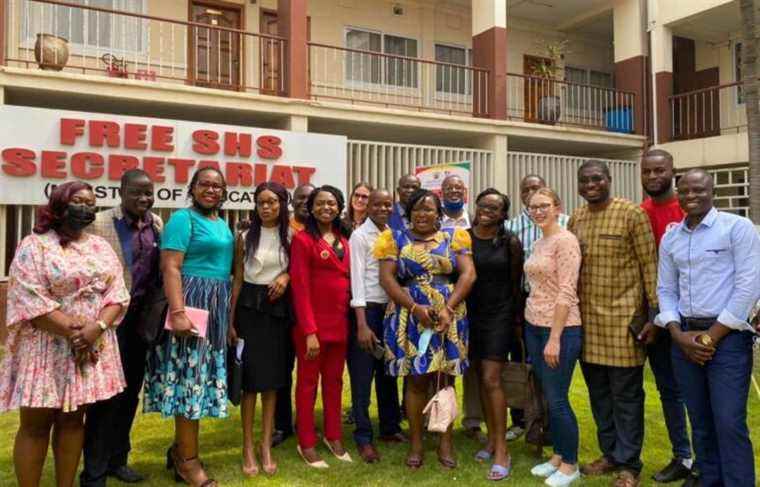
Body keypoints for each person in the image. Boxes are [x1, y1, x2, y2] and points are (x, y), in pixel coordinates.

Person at [0, 181, 130, 487]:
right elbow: (27, 297)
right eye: (78, 202)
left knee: (73, 421)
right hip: (46, 346)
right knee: (36, 424)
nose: (86, 209)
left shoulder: (100, 246)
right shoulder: (35, 245)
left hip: (90, 344)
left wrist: (95, 328)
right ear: (59, 205)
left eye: (91, 203)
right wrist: (75, 331)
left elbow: (118, 294)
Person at [656, 169, 760, 487]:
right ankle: (709, 480)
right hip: (683, 336)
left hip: (727, 340)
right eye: (685, 190)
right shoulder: (671, 237)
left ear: (711, 190)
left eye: (699, 189)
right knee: (699, 420)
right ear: (678, 193)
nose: (692, 196)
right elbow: (665, 290)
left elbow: (747, 287)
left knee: (728, 421)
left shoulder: (737, 228)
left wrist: (708, 338)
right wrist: (676, 333)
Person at [569, 160, 658, 487]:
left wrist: (652, 317)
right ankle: (610, 454)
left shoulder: (632, 214)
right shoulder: (577, 218)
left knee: (626, 397)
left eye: (597, 179)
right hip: (587, 325)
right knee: (600, 395)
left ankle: (630, 465)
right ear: (578, 185)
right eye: (585, 180)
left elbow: (651, 266)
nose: (591, 184)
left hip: (623, 324)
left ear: (609, 180)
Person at [143, 167, 234, 487]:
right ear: (192, 188)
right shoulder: (183, 219)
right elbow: (170, 266)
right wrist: (179, 312)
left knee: (200, 381)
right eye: (204, 184)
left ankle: (180, 449)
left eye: (217, 186)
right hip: (191, 305)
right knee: (190, 383)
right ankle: (188, 462)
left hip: (216, 307)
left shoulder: (220, 223)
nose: (211, 190)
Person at [376, 188, 476, 470]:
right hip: (409, 314)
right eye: (417, 208)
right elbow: (387, 279)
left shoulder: (454, 237)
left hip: (449, 313)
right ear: (408, 213)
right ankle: (417, 443)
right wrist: (415, 308)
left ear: (438, 213)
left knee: (445, 379)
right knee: (416, 380)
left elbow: (468, 274)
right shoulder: (392, 239)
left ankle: (446, 442)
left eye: (429, 209)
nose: (423, 214)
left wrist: (448, 308)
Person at [82, 169, 163, 486]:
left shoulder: (155, 223)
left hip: (141, 322)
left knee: (130, 393)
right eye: (136, 192)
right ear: (121, 191)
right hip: (108, 321)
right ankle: (94, 472)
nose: (143, 198)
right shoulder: (99, 223)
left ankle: (119, 460)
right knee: (105, 398)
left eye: (148, 192)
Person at [228, 182, 292, 477]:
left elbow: (300, 270)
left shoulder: (292, 236)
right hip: (249, 311)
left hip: (277, 312)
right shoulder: (243, 236)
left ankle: (266, 444)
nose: (266, 208)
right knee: (250, 383)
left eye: (272, 202)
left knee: (272, 382)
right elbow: (238, 279)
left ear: (282, 204)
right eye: (261, 202)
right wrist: (230, 321)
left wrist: (287, 276)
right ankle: (247, 447)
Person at [638, 149, 693, 484]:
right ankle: (683, 457)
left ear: (673, 171)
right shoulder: (640, 212)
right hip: (657, 316)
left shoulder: (689, 208)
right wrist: (653, 316)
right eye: (647, 171)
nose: (653, 176)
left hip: (695, 316)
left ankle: (705, 460)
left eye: (660, 170)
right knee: (669, 390)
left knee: (698, 392)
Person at [290, 185, 352, 468]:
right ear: (311, 208)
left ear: (339, 207)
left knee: (335, 382)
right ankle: (306, 442)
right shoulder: (303, 240)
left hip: (340, 324)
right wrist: (309, 332)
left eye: (332, 203)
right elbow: (300, 288)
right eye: (320, 203)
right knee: (306, 385)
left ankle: (334, 435)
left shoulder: (344, 238)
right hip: (312, 327)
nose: (326, 208)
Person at [523, 188, 582, 487]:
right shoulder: (538, 241)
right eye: (533, 207)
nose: (538, 211)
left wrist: (555, 338)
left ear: (557, 207)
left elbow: (567, 290)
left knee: (558, 400)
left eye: (544, 206)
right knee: (548, 395)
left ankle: (571, 465)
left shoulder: (566, 241)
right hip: (533, 324)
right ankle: (558, 455)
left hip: (560, 328)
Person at [504, 174, 569, 442]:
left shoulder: (565, 225)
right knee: (520, 364)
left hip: (557, 304)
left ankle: (552, 424)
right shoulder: (511, 227)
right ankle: (520, 420)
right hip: (524, 301)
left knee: (550, 370)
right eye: (526, 189)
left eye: (536, 188)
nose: (531, 193)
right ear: (521, 195)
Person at [467, 189, 523, 481]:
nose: (488, 210)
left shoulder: (510, 242)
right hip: (469, 316)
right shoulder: (463, 237)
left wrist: (515, 321)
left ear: (503, 214)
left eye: (495, 207)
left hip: (499, 316)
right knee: (479, 377)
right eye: (483, 204)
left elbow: (516, 284)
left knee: (491, 378)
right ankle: (490, 439)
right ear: (476, 207)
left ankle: (502, 449)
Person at [348, 189, 404, 464]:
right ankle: (363, 437)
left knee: (388, 373)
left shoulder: (393, 235)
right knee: (362, 377)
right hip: (366, 311)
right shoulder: (359, 236)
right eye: (377, 204)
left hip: (390, 311)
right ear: (367, 207)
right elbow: (357, 280)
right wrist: (361, 324)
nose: (383, 208)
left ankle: (390, 428)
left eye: (387, 204)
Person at [272, 182, 315, 448]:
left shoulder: (321, 231)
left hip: (311, 311)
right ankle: (282, 424)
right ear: (292, 202)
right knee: (282, 369)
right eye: (300, 198)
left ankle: (306, 421)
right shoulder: (280, 229)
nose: (304, 203)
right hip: (282, 309)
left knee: (309, 371)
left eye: (309, 199)